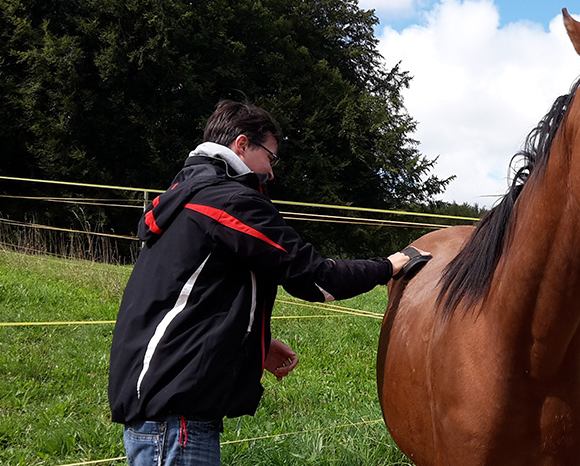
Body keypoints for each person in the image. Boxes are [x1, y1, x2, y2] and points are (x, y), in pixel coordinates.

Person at [108, 99, 429, 465]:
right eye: (270, 158)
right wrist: (387, 266)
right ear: (242, 145)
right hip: (176, 416)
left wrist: (253, 340)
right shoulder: (226, 200)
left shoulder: (187, 196)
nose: (271, 173)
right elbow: (315, 277)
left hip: (161, 411)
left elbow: (194, 296)